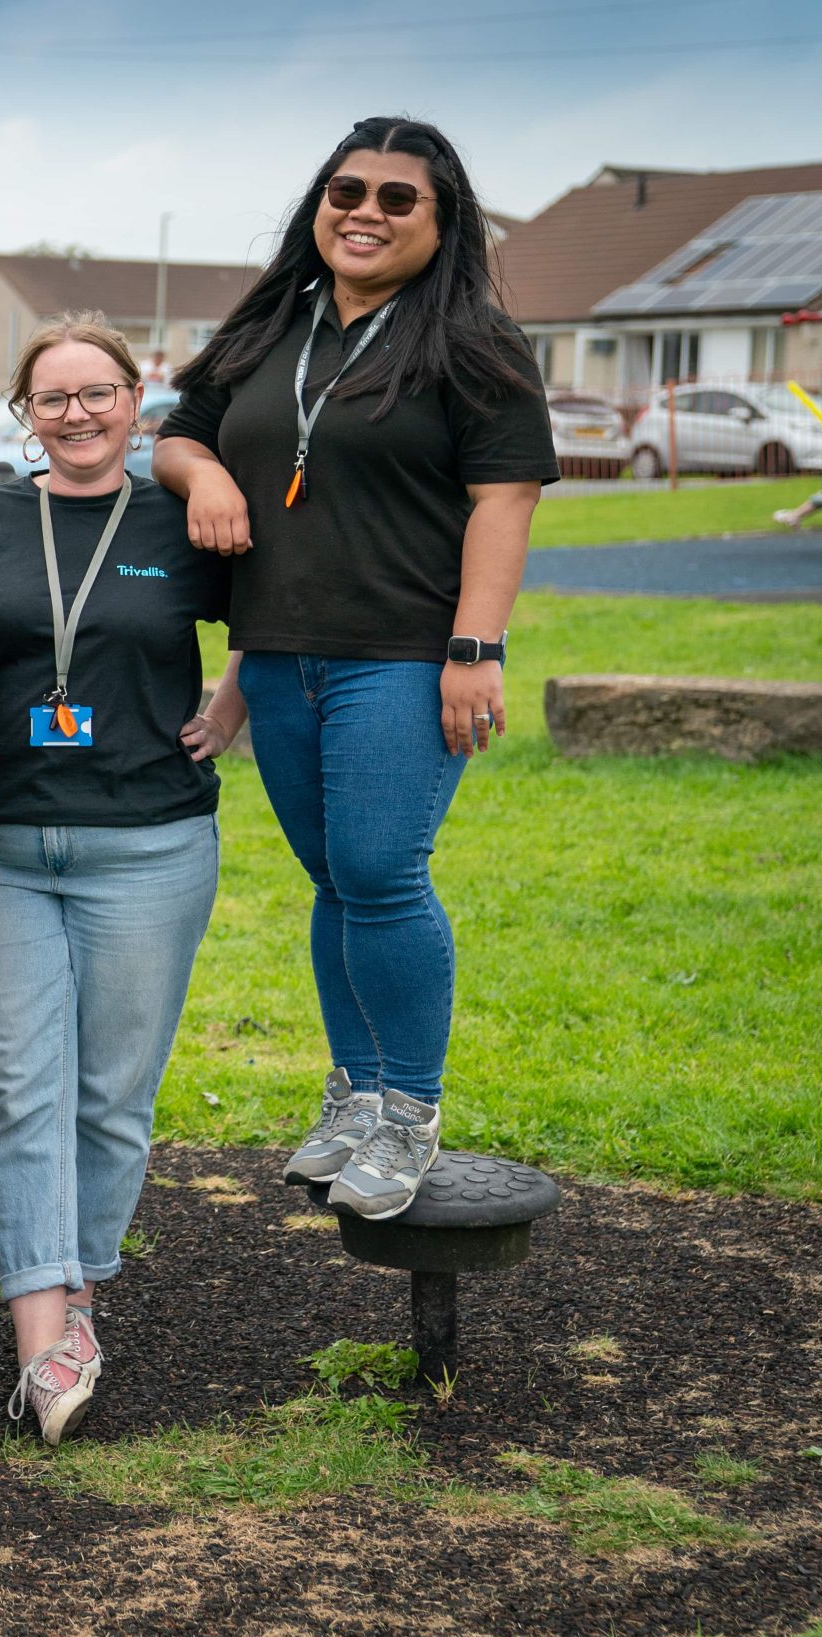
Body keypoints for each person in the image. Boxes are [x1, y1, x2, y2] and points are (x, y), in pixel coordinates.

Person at [155, 116, 555, 1220]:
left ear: (440, 222)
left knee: (382, 874)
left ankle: (409, 1113)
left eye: (395, 199)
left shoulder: (473, 342)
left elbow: (502, 505)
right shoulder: (270, 326)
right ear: (317, 207)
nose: (364, 213)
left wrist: (476, 649)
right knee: (335, 883)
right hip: (281, 660)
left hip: (405, 659)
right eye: (346, 192)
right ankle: (354, 1094)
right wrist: (204, 480)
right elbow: (176, 433)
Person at [0, 313, 239, 1445]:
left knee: (110, 1094)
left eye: (97, 393)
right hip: (8, 848)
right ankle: (41, 1339)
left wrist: (233, 702)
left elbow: (269, 610)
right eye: (52, 398)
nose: (77, 415)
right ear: (25, 414)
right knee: (18, 1088)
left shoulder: (182, 516)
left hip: (149, 843)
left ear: (134, 397)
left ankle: (81, 1296)